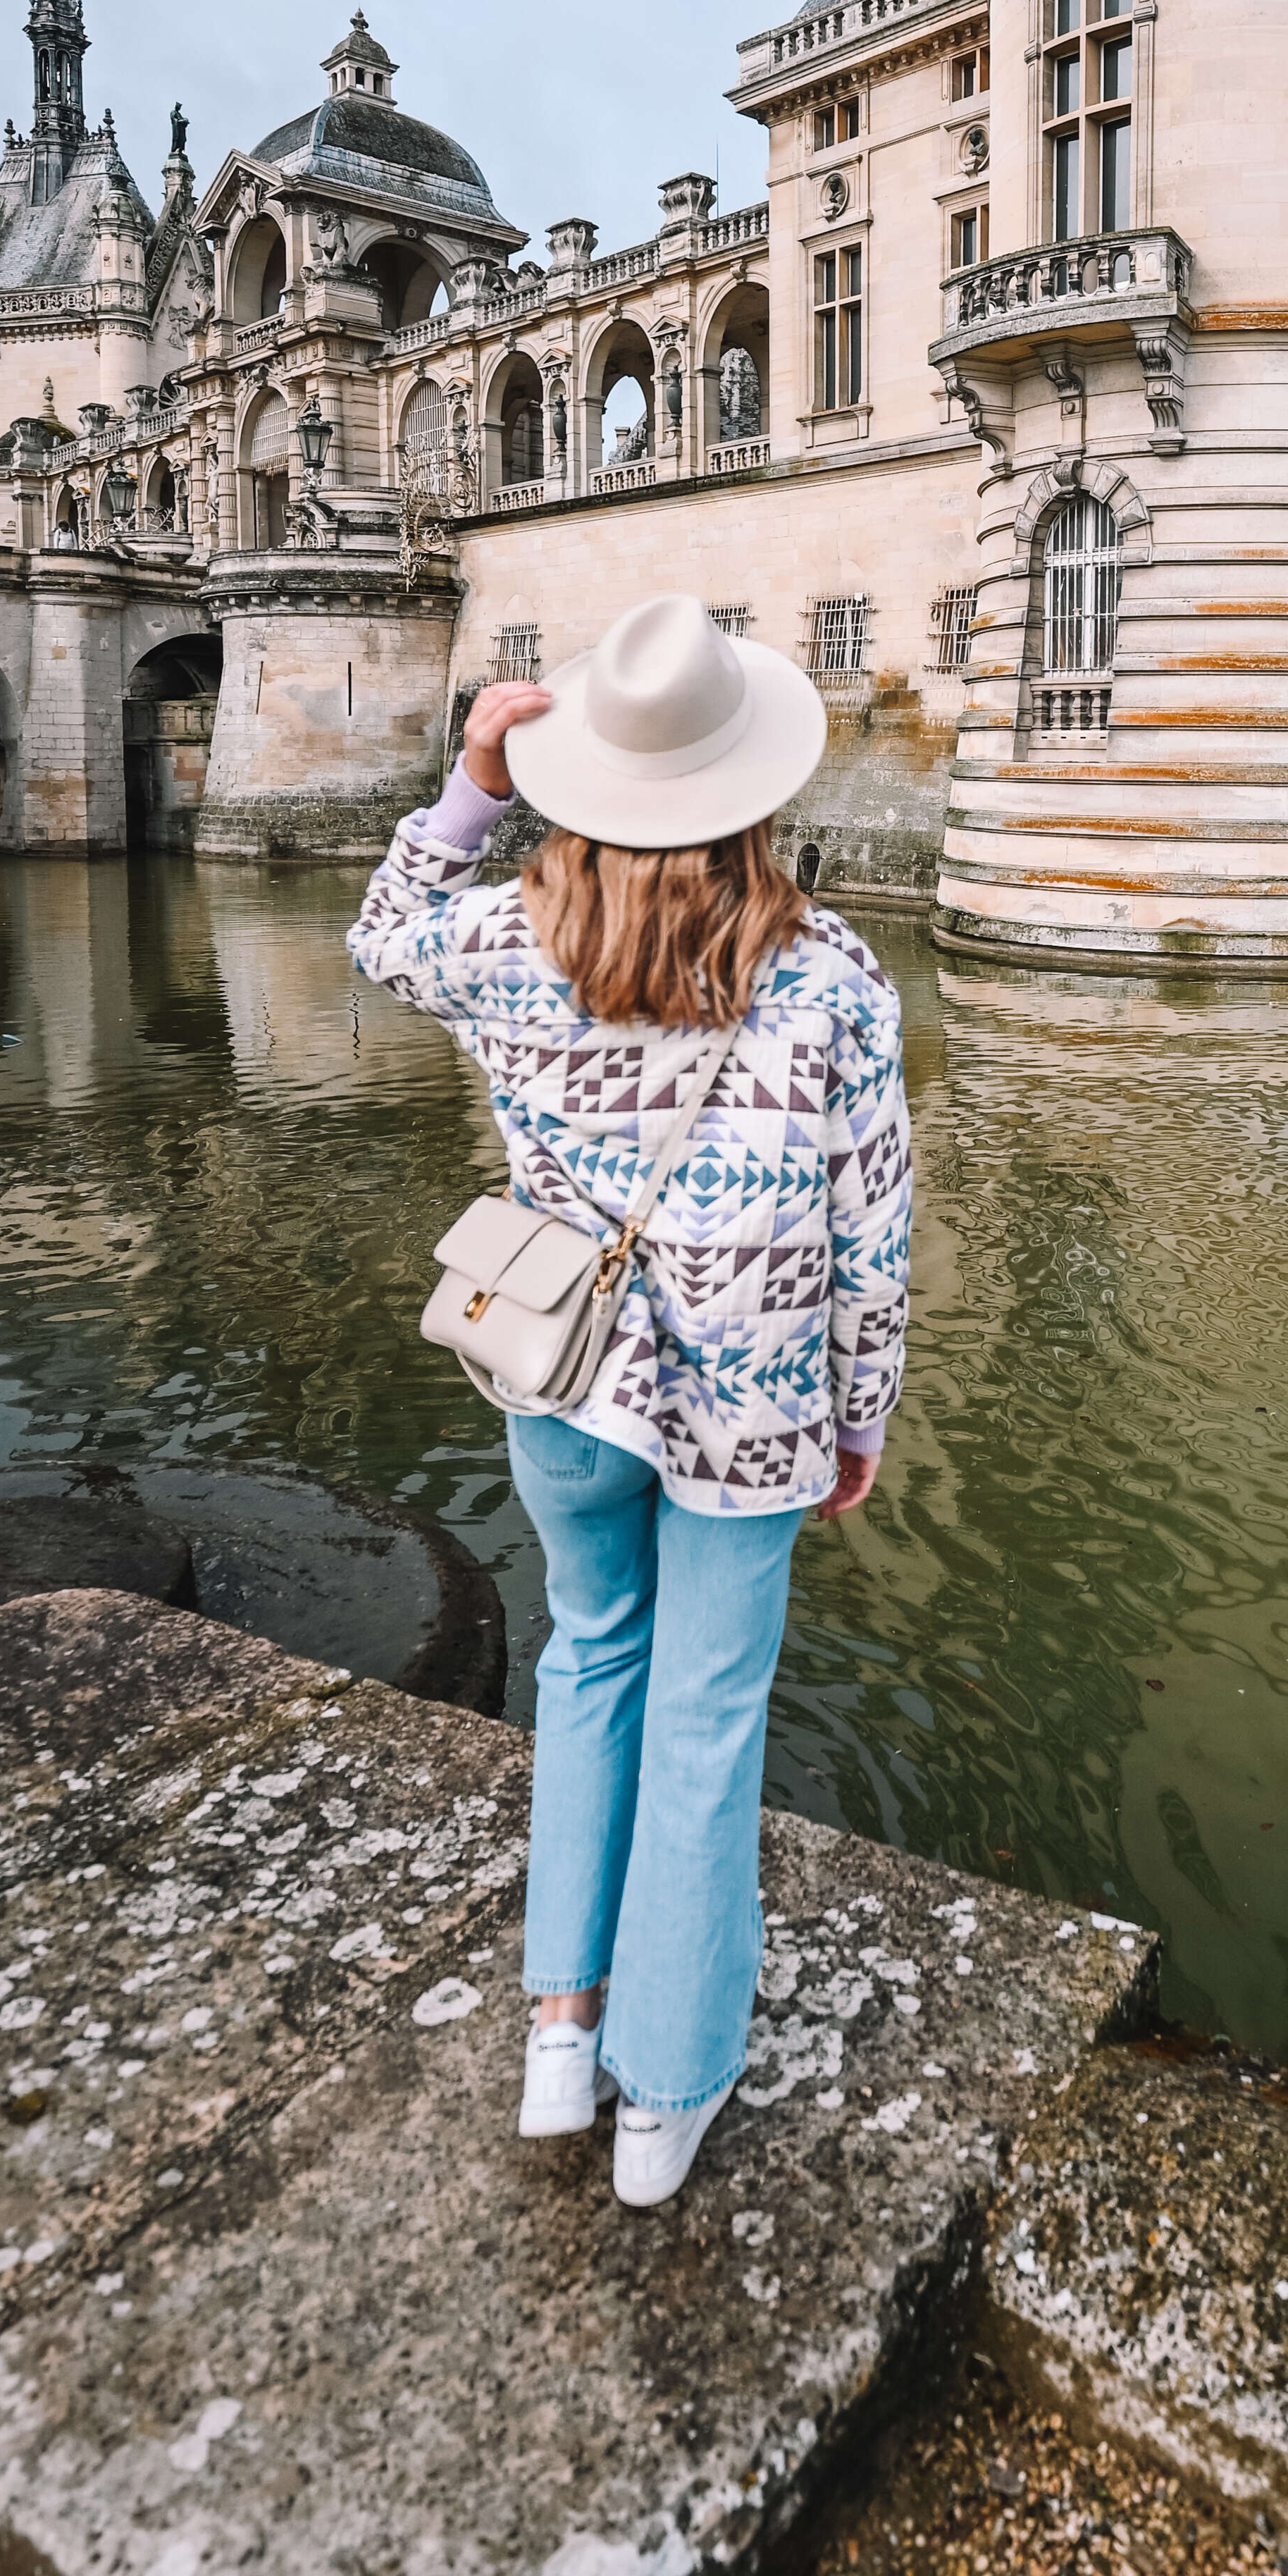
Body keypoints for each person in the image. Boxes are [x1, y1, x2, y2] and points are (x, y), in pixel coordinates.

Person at [347, 593, 910, 2209]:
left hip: (562, 1380)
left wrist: (471, 781)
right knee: (705, 1721)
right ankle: (662, 2098)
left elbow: (382, 931)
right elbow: (870, 1232)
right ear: (752, 792)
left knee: (590, 1663)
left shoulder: (510, 939)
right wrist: (857, 1416)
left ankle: (556, 2036)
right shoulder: (833, 979)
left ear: (584, 781)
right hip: (749, 1413)